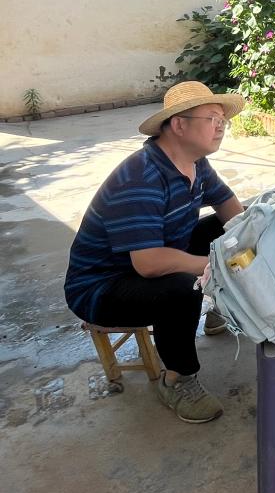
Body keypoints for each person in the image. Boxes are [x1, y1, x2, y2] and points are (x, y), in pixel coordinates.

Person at [64, 81, 245, 423]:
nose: (221, 126)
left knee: (234, 228)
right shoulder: (140, 176)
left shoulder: (195, 162)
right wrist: (219, 264)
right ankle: (177, 379)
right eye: (212, 118)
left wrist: (249, 239)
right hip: (103, 286)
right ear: (179, 125)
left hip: (156, 253)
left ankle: (225, 305)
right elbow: (148, 264)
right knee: (184, 289)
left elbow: (227, 205)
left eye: (223, 120)